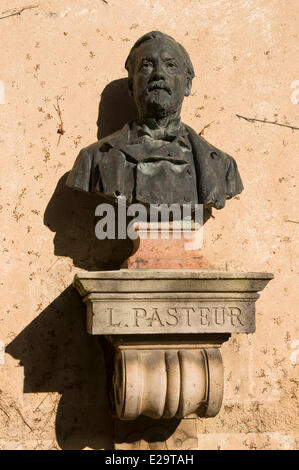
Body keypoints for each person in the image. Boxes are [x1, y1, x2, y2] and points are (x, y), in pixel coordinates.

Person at [67, 31, 243, 210]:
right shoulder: (92, 159)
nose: (158, 74)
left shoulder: (221, 166)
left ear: (188, 84)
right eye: (146, 65)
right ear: (131, 85)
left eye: (170, 65)